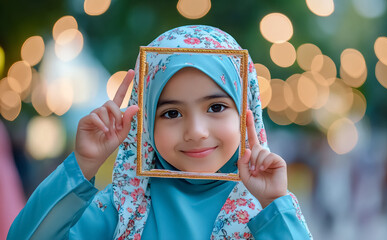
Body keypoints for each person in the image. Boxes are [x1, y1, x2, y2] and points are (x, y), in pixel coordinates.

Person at [8, 25, 312, 239]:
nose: (196, 131)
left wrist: (275, 204)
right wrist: (83, 163)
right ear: (146, 126)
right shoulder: (124, 207)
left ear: (248, 111)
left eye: (216, 107)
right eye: (171, 113)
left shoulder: (266, 210)